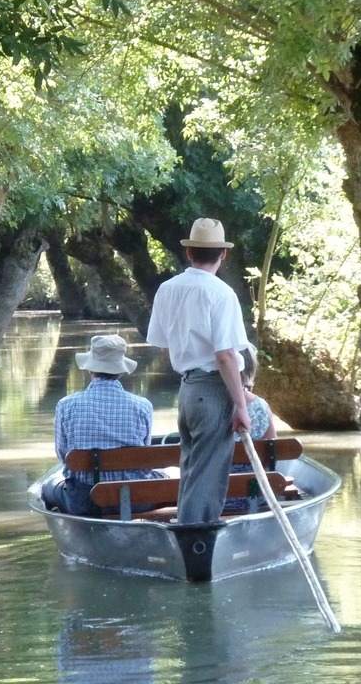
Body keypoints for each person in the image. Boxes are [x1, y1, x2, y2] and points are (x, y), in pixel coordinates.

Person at [146, 218, 252, 523]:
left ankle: (187, 536)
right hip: (213, 390)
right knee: (208, 475)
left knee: (193, 468)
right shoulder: (221, 293)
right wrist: (241, 404)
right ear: (223, 254)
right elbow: (226, 356)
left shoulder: (167, 289)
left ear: (189, 253)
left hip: (188, 389)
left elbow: (166, 347)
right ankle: (195, 541)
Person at [41, 334, 163, 516]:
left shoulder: (66, 405)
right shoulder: (142, 406)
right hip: (134, 499)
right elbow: (144, 460)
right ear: (120, 370)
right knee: (164, 476)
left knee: (46, 488)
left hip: (85, 501)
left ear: (91, 369)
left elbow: (64, 455)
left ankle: (71, 527)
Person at [224, 344, 278, 513]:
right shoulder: (261, 406)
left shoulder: (210, 408)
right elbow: (272, 453)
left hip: (216, 498)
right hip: (254, 497)